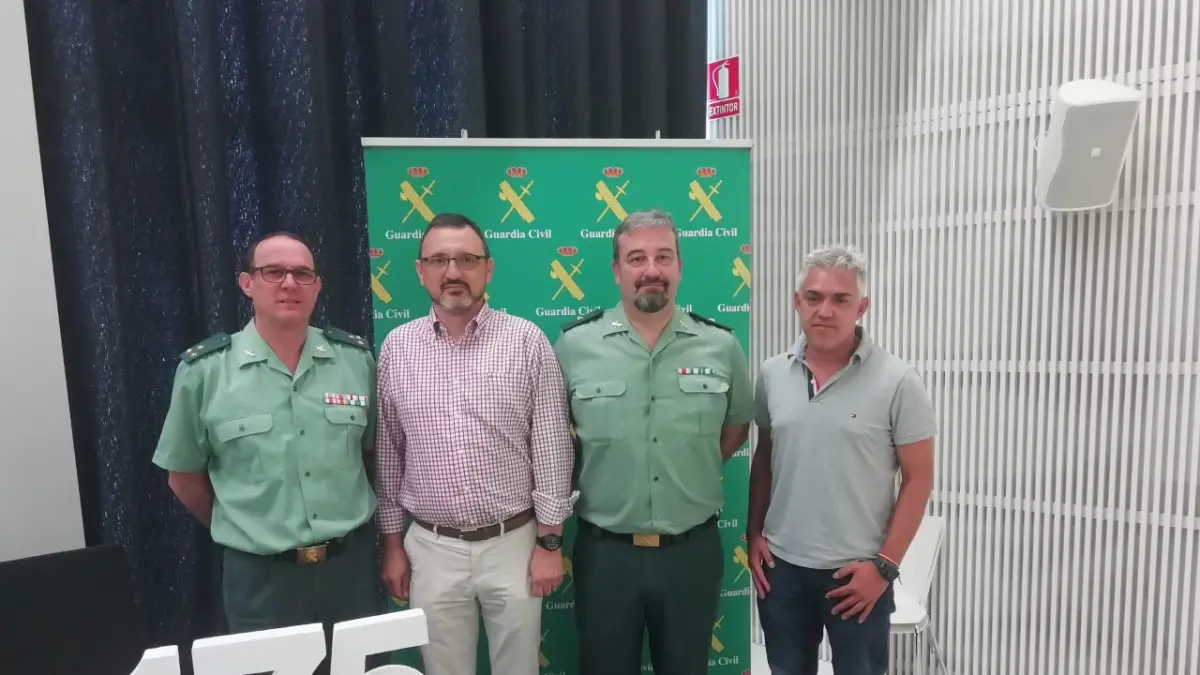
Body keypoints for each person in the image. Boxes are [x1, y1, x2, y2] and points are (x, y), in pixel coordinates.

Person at [151, 232, 381, 674]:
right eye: (273, 272)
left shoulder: (355, 361)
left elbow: (371, 459)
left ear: (317, 286)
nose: (289, 283)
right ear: (247, 283)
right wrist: (249, 525)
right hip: (261, 580)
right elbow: (183, 477)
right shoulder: (205, 371)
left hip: (348, 573)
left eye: (302, 274)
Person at [553, 208, 755, 675]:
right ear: (616, 269)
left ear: (679, 266)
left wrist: (690, 462)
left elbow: (734, 428)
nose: (651, 270)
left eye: (663, 257)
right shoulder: (574, 346)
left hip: (691, 554)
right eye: (636, 258)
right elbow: (554, 438)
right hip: (606, 556)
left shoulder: (721, 346)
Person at [374, 213, 575, 675]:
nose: (453, 272)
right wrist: (392, 546)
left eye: (466, 260)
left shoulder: (527, 342)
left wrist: (550, 543)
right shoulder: (397, 349)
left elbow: (551, 449)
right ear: (420, 271)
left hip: (515, 544)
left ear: (488, 268)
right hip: (432, 548)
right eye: (439, 260)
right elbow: (388, 457)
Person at [748, 244, 938, 675]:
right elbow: (766, 458)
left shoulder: (899, 382)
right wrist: (753, 533)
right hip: (782, 570)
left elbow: (919, 480)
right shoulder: (772, 374)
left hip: (859, 575)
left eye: (840, 299)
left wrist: (884, 567)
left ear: (861, 307)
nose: (825, 310)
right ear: (798, 302)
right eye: (814, 298)